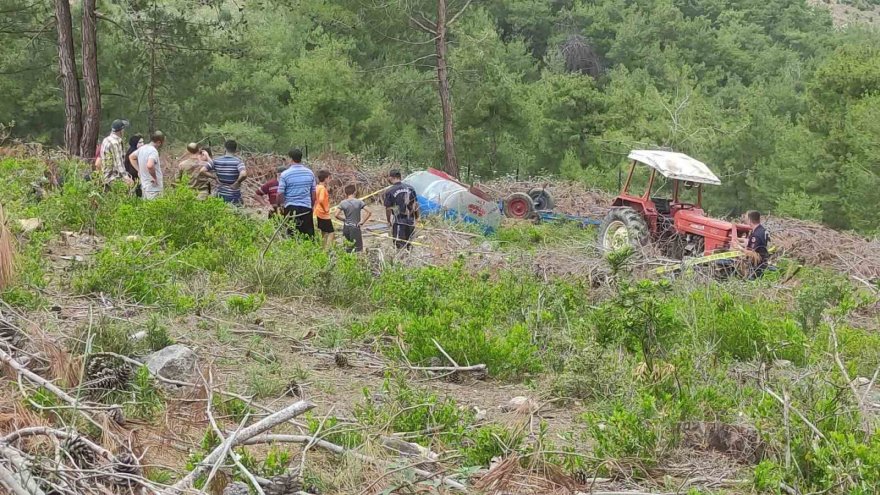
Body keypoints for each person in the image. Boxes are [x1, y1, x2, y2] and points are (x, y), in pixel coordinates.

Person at [276, 149, 316, 238]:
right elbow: (313, 193)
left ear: (290, 159)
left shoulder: (285, 174)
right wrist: (312, 206)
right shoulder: (310, 173)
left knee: (291, 235)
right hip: (306, 207)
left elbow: (280, 193)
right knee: (308, 236)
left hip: (291, 208)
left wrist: (280, 205)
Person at [383, 170, 419, 250]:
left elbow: (388, 208)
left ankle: (401, 257)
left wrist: (388, 221)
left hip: (399, 221)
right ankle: (409, 256)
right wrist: (417, 218)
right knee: (409, 243)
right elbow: (415, 204)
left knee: (399, 244)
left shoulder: (390, 190)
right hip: (410, 220)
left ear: (391, 178)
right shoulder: (410, 188)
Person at [206, 140, 247, 205]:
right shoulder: (238, 162)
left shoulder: (216, 160)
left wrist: (214, 177)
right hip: (234, 196)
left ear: (225, 148)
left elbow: (202, 170)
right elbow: (244, 174)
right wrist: (237, 182)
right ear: (236, 149)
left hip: (220, 195)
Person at [733, 210, 770, 278]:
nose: (746, 221)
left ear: (750, 220)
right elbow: (753, 243)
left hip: (757, 265)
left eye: (746, 219)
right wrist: (738, 240)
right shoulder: (761, 230)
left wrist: (739, 248)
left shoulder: (756, 235)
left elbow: (752, 253)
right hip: (763, 261)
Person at [336, 184, 371, 253]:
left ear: (345, 193)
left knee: (348, 248)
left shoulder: (342, 203)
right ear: (354, 192)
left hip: (346, 227)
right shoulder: (359, 202)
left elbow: (336, 215)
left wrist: (344, 220)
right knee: (358, 249)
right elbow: (369, 212)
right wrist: (362, 221)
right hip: (355, 227)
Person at [96, 119, 132, 187]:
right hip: (112, 177)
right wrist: (126, 177)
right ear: (121, 130)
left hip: (105, 175)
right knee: (130, 186)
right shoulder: (115, 143)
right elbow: (118, 163)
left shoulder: (106, 140)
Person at [131, 131, 165, 200]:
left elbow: (131, 157)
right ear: (159, 142)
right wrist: (154, 177)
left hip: (145, 186)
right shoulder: (153, 151)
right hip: (153, 188)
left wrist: (139, 170)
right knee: (156, 206)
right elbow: (150, 165)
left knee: (146, 205)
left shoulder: (142, 148)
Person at [315, 170, 334, 249]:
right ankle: (327, 249)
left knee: (323, 232)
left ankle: (323, 248)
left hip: (318, 212)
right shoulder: (322, 188)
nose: (329, 180)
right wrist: (325, 209)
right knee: (331, 232)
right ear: (325, 178)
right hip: (323, 213)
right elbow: (321, 200)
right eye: (329, 178)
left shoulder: (317, 187)